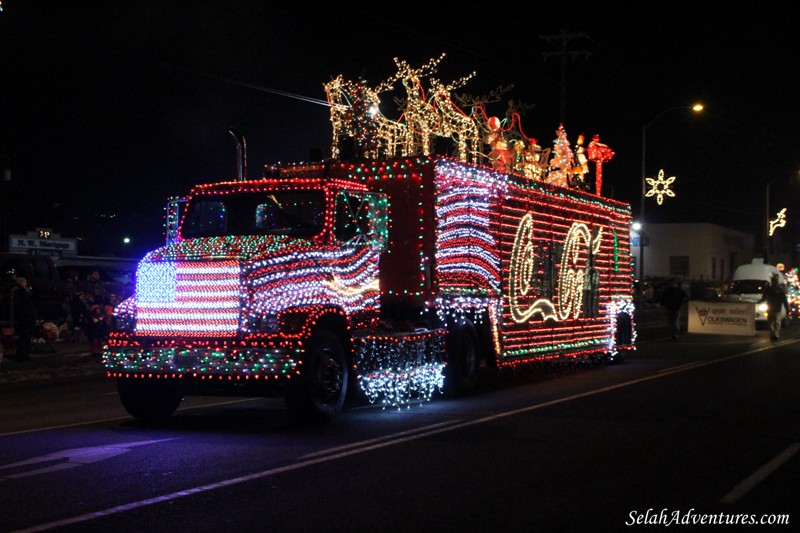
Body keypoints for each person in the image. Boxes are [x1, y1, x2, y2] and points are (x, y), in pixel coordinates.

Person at [10, 275, 38, 361]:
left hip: (26, 316)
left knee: (24, 336)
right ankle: (23, 354)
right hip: (27, 316)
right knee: (25, 336)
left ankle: (23, 354)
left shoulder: (22, 292)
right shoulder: (23, 292)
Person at [763, 273, 789, 341]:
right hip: (771, 309)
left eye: (774, 281)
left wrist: (787, 309)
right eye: (773, 281)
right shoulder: (769, 289)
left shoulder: (779, 290)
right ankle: (773, 334)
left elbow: (784, 300)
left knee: (776, 324)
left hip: (777, 310)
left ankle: (776, 335)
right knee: (771, 324)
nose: (773, 282)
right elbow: (764, 298)